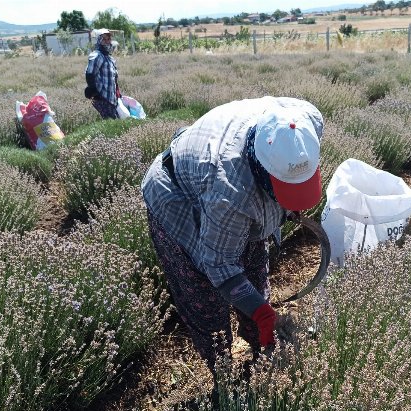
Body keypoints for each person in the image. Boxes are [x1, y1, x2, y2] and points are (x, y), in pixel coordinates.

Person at [141, 96, 324, 374]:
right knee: (205, 299)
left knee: (255, 276)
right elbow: (220, 265)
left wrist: (290, 203)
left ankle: (261, 351)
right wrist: (262, 313)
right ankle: (223, 374)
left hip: (218, 181)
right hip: (177, 196)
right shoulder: (231, 190)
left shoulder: (304, 122)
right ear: (264, 172)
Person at [85, 28, 122, 119]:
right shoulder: (97, 55)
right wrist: (93, 90)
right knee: (112, 123)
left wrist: (117, 92)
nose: (107, 41)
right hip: (102, 97)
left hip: (111, 97)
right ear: (98, 41)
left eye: (108, 39)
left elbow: (113, 78)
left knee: (115, 121)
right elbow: (90, 73)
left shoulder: (109, 58)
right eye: (103, 39)